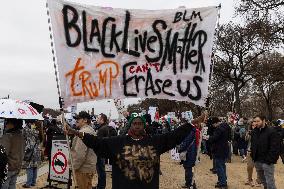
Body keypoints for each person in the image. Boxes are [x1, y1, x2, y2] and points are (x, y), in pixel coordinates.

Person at [65, 112, 207, 189]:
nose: (137, 126)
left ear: (144, 126)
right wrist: (75, 132)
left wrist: (194, 122)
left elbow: (174, 136)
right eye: (135, 124)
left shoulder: (154, 141)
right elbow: (97, 142)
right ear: (130, 125)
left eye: (140, 124)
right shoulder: (118, 142)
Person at [251, 115, 280, 189]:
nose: (256, 123)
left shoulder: (272, 131)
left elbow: (275, 147)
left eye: (258, 121)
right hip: (257, 160)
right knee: (263, 181)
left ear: (263, 121)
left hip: (267, 162)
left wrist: (269, 160)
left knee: (270, 182)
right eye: (255, 121)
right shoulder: (254, 132)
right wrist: (253, 155)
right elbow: (253, 145)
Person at [71, 111, 97, 189]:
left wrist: (73, 167)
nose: (76, 120)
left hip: (83, 169)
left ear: (85, 120)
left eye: (78, 119)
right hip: (89, 167)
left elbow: (79, 154)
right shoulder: (91, 130)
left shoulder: (83, 133)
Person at [0, 118, 25, 189]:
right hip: (17, 165)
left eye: (8, 123)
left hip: (8, 167)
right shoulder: (21, 135)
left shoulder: (7, 136)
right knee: (12, 185)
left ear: (13, 124)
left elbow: (3, 154)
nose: (6, 125)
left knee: (4, 186)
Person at [208, 117, 231, 189]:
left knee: (219, 167)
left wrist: (208, 137)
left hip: (219, 149)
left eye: (213, 124)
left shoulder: (219, 129)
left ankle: (223, 183)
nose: (213, 126)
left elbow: (215, 138)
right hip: (224, 149)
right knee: (222, 166)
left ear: (215, 123)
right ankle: (223, 180)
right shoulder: (225, 126)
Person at [22, 121, 42, 188]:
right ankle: (33, 182)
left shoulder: (28, 129)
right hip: (37, 150)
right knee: (35, 167)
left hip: (30, 150)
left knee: (29, 167)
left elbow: (23, 135)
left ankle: (28, 183)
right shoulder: (39, 129)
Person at [95, 113, 110, 189]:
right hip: (102, 152)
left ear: (102, 120)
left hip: (100, 153)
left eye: (98, 118)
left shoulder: (102, 129)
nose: (97, 119)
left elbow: (98, 141)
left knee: (101, 170)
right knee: (101, 170)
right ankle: (100, 185)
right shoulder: (104, 127)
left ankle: (101, 186)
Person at [245, 120, 261, 187]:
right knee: (249, 166)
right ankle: (249, 179)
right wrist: (248, 134)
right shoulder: (250, 132)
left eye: (255, 125)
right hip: (250, 151)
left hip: (258, 151)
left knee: (259, 167)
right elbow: (246, 139)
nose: (254, 126)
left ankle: (259, 180)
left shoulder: (260, 132)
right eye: (252, 125)